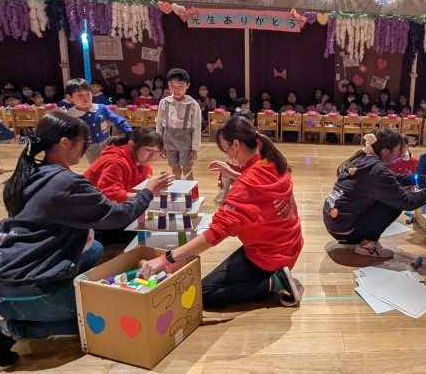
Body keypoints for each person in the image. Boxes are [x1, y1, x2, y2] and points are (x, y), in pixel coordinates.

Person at [0, 111, 170, 372]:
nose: (85, 148)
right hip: (22, 288)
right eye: (83, 143)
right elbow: (118, 215)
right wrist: (147, 192)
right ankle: (5, 331)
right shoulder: (67, 182)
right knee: (99, 318)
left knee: (95, 249)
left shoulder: (33, 172)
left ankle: (59, 296)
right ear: (65, 143)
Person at [140, 117, 304, 309]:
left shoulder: (245, 186)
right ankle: (275, 277)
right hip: (289, 245)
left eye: (226, 150)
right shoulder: (272, 163)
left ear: (236, 145)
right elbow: (259, 193)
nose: (228, 156)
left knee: (203, 295)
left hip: (269, 256)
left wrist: (166, 258)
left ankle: (275, 283)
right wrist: (237, 176)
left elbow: (215, 234)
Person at [324, 130, 426, 258]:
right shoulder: (377, 170)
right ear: (385, 151)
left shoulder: (366, 158)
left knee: (392, 195)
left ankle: (365, 239)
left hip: (335, 222)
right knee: (396, 203)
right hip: (346, 231)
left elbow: (394, 178)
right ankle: (366, 245)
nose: (401, 154)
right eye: (399, 150)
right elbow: (408, 202)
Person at [84, 128, 165, 203]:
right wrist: (147, 194)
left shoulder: (144, 164)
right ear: (132, 145)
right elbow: (109, 195)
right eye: (148, 150)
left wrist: (154, 190)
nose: (152, 155)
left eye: (157, 151)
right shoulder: (115, 163)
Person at [64, 77, 132, 163]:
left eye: (88, 94)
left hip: (107, 142)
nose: (85, 98)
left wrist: (129, 132)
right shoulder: (70, 116)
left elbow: (117, 120)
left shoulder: (101, 108)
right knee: (97, 164)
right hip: (89, 147)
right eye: (80, 95)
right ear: (69, 97)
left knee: (112, 162)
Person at [156, 68, 201, 180]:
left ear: (188, 85)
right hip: (168, 139)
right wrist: (159, 144)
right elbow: (159, 124)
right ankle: (176, 189)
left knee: (187, 169)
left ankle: (191, 191)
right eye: (172, 86)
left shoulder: (193, 104)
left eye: (180, 86)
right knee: (174, 168)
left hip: (185, 140)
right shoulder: (164, 102)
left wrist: (195, 148)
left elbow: (196, 128)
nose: (176, 90)